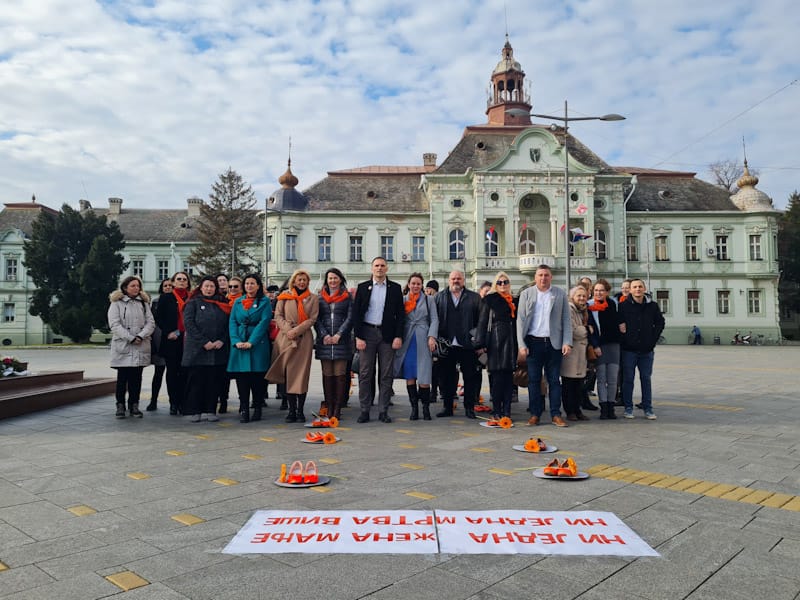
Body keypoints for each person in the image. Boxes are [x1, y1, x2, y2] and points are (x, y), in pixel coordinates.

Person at [516, 264, 572, 427]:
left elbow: (566, 320)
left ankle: (556, 414)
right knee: (533, 380)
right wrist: (521, 344)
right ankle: (535, 414)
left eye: (546, 275)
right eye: (540, 275)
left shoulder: (559, 294)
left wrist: (567, 342)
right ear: (535, 277)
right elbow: (520, 321)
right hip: (533, 342)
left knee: (554, 380)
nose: (543, 278)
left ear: (551, 277)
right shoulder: (527, 294)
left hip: (553, 343)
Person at [352, 257, 405, 423]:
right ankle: (365, 410)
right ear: (372, 268)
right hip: (367, 333)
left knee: (386, 374)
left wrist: (398, 336)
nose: (379, 268)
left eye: (382, 266)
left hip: (387, 335)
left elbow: (401, 316)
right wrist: (358, 337)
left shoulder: (395, 288)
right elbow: (356, 314)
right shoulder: (362, 288)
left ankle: (383, 411)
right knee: (365, 373)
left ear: (387, 268)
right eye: (376, 266)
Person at [266, 269, 319, 423]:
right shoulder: (284, 296)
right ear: (294, 281)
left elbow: (313, 319)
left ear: (308, 282)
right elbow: (278, 315)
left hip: (304, 339)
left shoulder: (313, 298)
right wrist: (288, 330)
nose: (301, 282)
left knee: (301, 375)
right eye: (299, 279)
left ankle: (301, 410)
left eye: (304, 280)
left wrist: (296, 330)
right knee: (288, 374)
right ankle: (291, 410)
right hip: (286, 338)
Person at [434, 270, 482, 419]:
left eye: (459, 279)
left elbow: (480, 321)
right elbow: (434, 320)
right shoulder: (439, 297)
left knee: (469, 377)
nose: (456, 281)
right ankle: (447, 407)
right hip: (446, 343)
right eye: (453, 278)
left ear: (463, 280)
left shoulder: (474, 297)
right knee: (446, 378)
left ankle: (469, 408)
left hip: (467, 344)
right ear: (449, 280)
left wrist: (476, 340)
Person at [181, 276, 231, 422]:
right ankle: (194, 410)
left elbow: (229, 324)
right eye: (206, 286)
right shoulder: (193, 303)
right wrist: (204, 342)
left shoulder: (222, 303)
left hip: (217, 349)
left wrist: (222, 340)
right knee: (196, 381)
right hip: (197, 350)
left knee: (213, 382)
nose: (209, 289)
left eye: (212, 286)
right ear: (201, 288)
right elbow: (189, 324)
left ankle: (210, 410)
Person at [108, 276, 155, 418]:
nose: (136, 288)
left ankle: (134, 404)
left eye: (138, 286)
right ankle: (120, 404)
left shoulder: (144, 303)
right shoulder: (116, 303)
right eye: (133, 286)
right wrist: (130, 337)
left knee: (137, 378)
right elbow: (114, 324)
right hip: (124, 345)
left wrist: (141, 335)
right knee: (123, 378)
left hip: (141, 344)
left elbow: (150, 322)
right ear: (125, 287)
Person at [618, 279, 665, 420]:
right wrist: (625, 337)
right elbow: (619, 324)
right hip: (629, 350)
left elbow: (660, 323)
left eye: (640, 286)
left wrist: (652, 339)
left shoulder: (652, 306)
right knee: (628, 379)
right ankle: (628, 408)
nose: (637, 289)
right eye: (634, 287)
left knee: (646, 378)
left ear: (644, 289)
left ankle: (648, 408)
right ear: (630, 290)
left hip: (646, 350)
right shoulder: (623, 306)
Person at [228, 273, 272, 423]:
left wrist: (252, 341)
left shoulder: (264, 301)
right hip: (240, 342)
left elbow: (264, 322)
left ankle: (257, 408)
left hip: (257, 344)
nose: (249, 286)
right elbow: (232, 321)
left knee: (257, 378)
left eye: (252, 283)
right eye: (247, 283)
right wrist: (235, 340)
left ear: (258, 285)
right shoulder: (238, 302)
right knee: (242, 378)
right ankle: (244, 408)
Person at [394, 273, 438, 421]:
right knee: (410, 375)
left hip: (423, 339)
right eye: (413, 283)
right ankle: (414, 408)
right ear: (408, 284)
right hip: (408, 340)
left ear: (422, 285)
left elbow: (434, 319)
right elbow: (398, 319)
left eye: (418, 284)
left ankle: (426, 408)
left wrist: (432, 336)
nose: (415, 286)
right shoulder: (402, 300)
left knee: (424, 377)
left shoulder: (429, 300)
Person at [473, 272, 517, 419]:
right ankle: (497, 410)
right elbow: (482, 322)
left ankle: (507, 410)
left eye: (505, 282)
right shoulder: (489, 300)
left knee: (509, 379)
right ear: (495, 285)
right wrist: (480, 343)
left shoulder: (514, 301)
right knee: (497, 378)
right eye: (499, 282)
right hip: (496, 341)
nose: (503, 285)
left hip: (511, 341)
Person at [314, 268, 354, 420]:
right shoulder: (320, 298)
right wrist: (323, 334)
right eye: (330, 278)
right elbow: (316, 318)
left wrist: (339, 334)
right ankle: (329, 406)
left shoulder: (347, 297)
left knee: (340, 375)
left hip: (341, 341)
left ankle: (337, 408)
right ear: (326, 280)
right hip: (324, 342)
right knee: (327, 375)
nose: (332, 281)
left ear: (340, 279)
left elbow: (350, 318)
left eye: (335, 278)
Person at [155, 271, 191, 415]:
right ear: (174, 282)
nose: (182, 281)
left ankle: (183, 402)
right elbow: (159, 318)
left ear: (188, 283)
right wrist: (168, 332)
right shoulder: (166, 298)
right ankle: (173, 403)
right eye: (179, 279)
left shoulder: (192, 298)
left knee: (185, 372)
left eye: (184, 279)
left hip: (188, 340)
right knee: (172, 372)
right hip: (172, 339)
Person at [561, 286, 597, 422]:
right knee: (568, 383)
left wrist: (585, 330)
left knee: (578, 384)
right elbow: (574, 331)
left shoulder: (583, 311)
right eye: (579, 296)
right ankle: (570, 411)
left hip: (581, 352)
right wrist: (588, 329)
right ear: (573, 297)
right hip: (571, 352)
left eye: (584, 296)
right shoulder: (570, 309)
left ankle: (577, 409)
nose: (582, 298)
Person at [588, 278, 622, 420]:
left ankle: (611, 406)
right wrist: (595, 345)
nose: (599, 293)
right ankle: (603, 407)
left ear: (607, 292)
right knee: (601, 378)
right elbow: (589, 329)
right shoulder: (589, 305)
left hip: (613, 345)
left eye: (602, 290)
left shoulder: (613, 304)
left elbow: (620, 320)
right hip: (599, 347)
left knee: (613, 378)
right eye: (596, 290)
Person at [146, 278, 171, 411]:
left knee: (173, 374)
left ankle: (175, 402)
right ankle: (153, 400)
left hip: (173, 340)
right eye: (165, 285)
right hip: (159, 340)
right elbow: (153, 322)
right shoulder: (156, 302)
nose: (167, 287)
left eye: (170, 285)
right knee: (158, 373)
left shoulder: (177, 301)